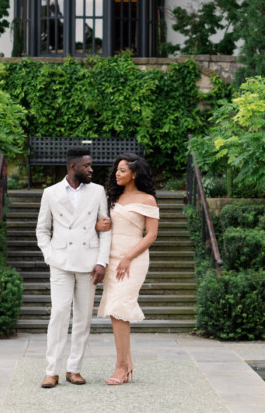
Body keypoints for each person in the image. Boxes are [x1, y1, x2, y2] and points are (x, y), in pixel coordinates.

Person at [35, 147, 111, 388]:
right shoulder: (50, 193)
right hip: (61, 262)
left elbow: (106, 228)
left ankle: (74, 369)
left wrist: (102, 261)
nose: (91, 169)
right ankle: (51, 371)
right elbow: (42, 229)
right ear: (72, 167)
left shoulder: (98, 191)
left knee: (83, 318)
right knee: (58, 314)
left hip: (89, 262)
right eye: (87, 166)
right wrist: (49, 255)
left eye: (91, 165)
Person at [94, 152, 159, 386]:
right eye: (117, 170)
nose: (117, 174)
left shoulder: (148, 200)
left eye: (122, 170)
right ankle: (127, 363)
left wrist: (128, 257)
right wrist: (98, 225)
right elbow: (100, 224)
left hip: (133, 258)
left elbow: (151, 235)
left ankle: (121, 366)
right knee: (115, 310)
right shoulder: (111, 197)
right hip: (111, 257)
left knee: (120, 306)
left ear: (134, 174)